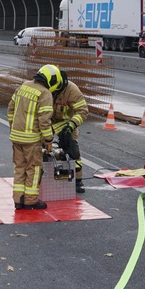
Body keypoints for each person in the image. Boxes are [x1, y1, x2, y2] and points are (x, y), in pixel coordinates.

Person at [7, 65, 56, 210]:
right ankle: (30, 201)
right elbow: (44, 121)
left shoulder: (23, 86)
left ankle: (18, 200)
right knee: (33, 170)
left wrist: (13, 127)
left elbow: (10, 109)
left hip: (16, 136)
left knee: (19, 168)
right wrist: (48, 139)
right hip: (32, 139)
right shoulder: (45, 93)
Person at [45, 64, 89, 193]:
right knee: (43, 149)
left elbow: (83, 111)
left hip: (67, 123)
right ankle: (46, 176)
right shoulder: (45, 87)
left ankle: (77, 180)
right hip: (48, 122)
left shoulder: (71, 89)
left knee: (73, 152)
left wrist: (71, 125)